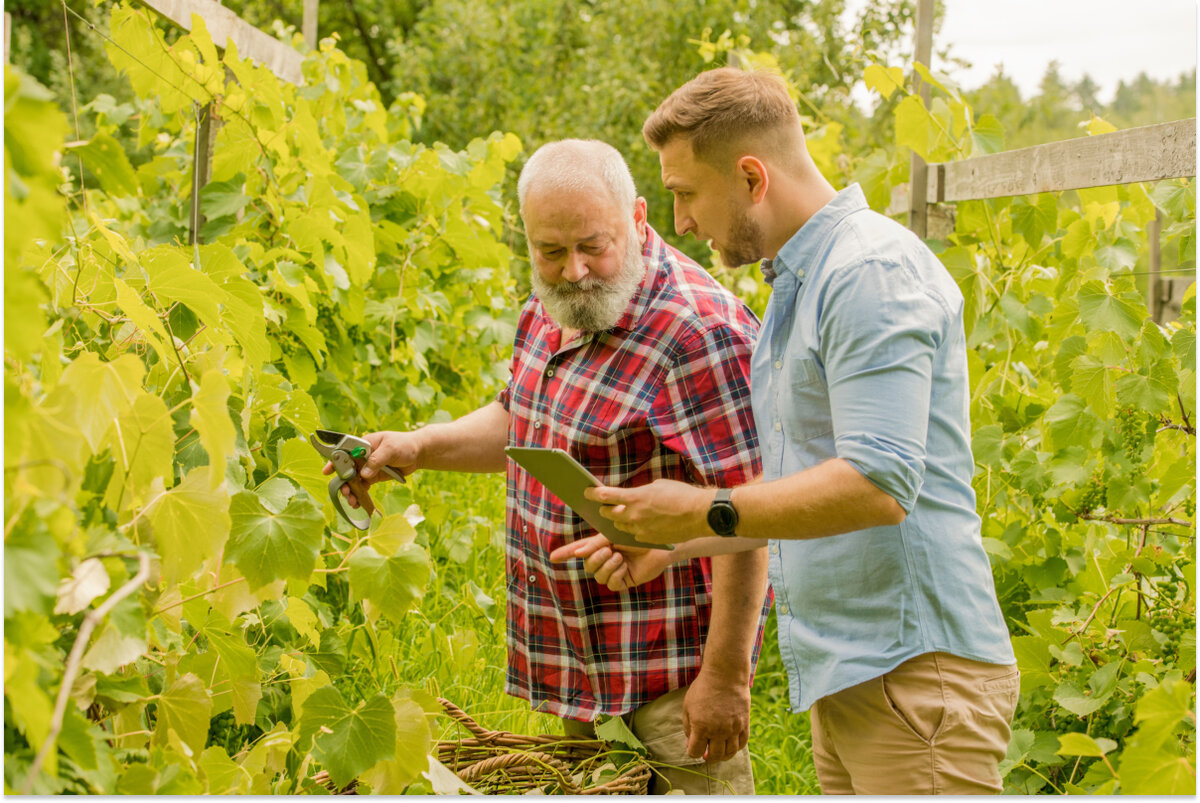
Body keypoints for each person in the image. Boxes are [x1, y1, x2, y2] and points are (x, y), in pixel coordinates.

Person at [569, 68, 1019, 795]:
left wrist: (700, 507)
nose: (680, 222)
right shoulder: (800, 286)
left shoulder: (868, 272)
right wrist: (674, 541)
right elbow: (800, 491)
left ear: (751, 176)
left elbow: (878, 482)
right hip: (858, 677)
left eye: (685, 193)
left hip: (914, 675)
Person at [331, 139, 771, 795]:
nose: (573, 271)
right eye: (551, 251)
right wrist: (418, 446)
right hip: (572, 664)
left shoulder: (697, 330)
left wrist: (727, 674)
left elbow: (754, 504)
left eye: (594, 246)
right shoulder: (549, 307)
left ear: (639, 218)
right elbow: (522, 416)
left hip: (669, 677)